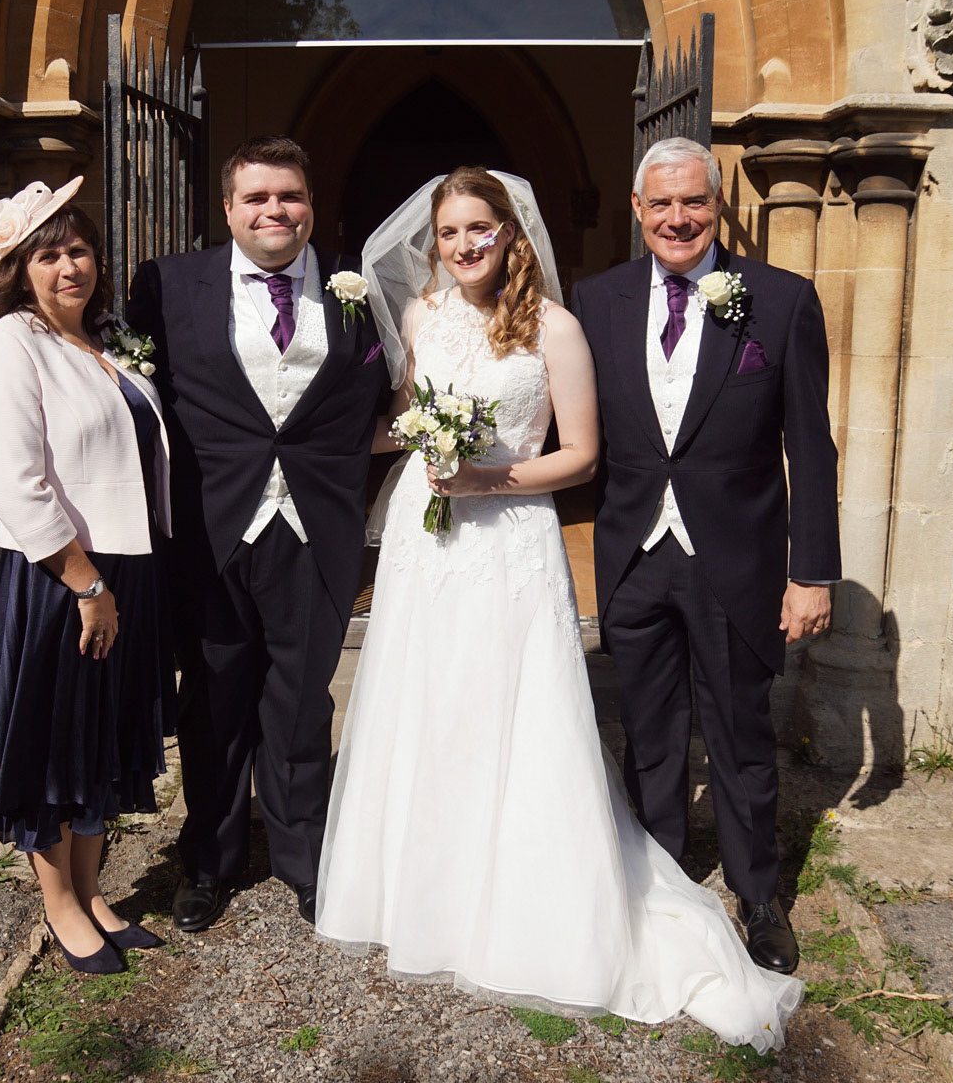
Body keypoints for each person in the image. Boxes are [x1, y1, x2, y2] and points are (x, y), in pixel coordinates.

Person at [315, 167, 802, 1051]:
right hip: (428, 541)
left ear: (511, 231)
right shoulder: (421, 317)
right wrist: (347, 430)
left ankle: (521, 893)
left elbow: (579, 455)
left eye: (481, 227)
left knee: (513, 708)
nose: (465, 245)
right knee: (427, 699)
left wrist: (486, 477)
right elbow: (401, 415)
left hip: (509, 534)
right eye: (450, 232)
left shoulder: (557, 328)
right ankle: (425, 889)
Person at [570, 137, 841, 974]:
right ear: (637, 209)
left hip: (736, 558)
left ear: (718, 206)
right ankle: (657, 883)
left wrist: (811, 573)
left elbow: (811, 446)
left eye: (694, 201)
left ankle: (758, 894)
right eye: (661, 203)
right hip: (634, 553)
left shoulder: (782, 300)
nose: (678, 218)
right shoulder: (595, 300)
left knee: (739, 733)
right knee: (648, 732)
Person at [126, 137, 391, 933]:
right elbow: (137, 398)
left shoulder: (359, 283)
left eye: (290, 196)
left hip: (315, 525)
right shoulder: (168, 284)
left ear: (311, 204)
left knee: (303, 700)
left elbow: (387, 390)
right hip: (209, 529)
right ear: (229, 208)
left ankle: (303, 858)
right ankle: (209, 861)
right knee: (213, 699)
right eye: (257, 197)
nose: (276, 210)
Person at [0, 177, 174, 975]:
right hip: (63, 580)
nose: (68, 268)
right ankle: (59, 906)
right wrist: (87, 584)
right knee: (54, 748)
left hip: (126, 565)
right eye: (48, 256)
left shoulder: (102, 341)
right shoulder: (9, 344)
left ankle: (91, 891)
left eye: (79, 251)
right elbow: (16, 482)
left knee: (100, 741)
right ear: (20, 269)